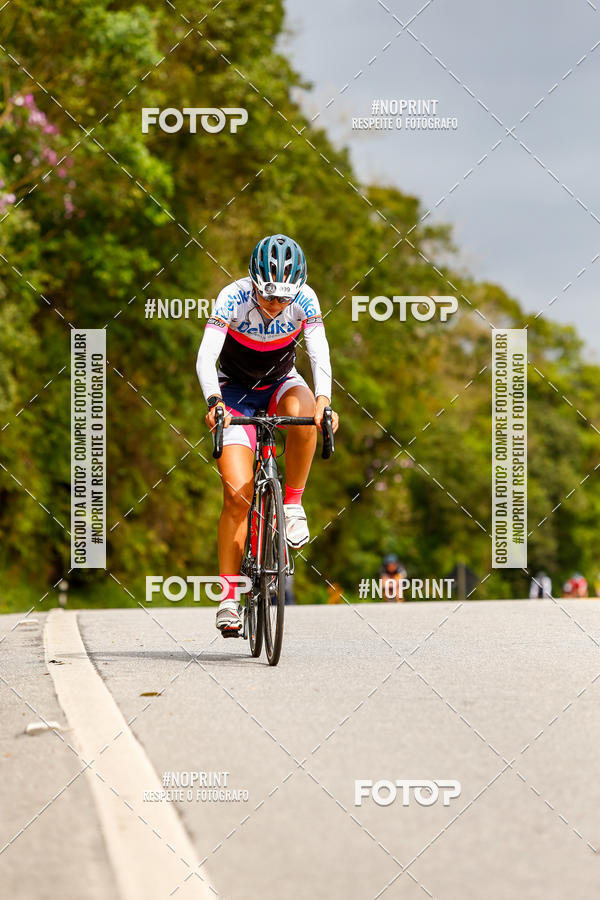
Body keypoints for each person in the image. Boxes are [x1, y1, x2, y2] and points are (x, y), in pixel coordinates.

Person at [196, 234, 339, 634]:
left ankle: (292, 502)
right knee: (237, 494)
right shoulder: (232, 297)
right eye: (268, 297)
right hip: (234, 394)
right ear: (254, 283)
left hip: (280, 384)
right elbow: (206, 355)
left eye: (283, 299)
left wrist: (326, 400)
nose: (275, 306)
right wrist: (214, 403)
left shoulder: (306, 299)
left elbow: (319, 351)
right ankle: (229, 597)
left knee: (309, 412)